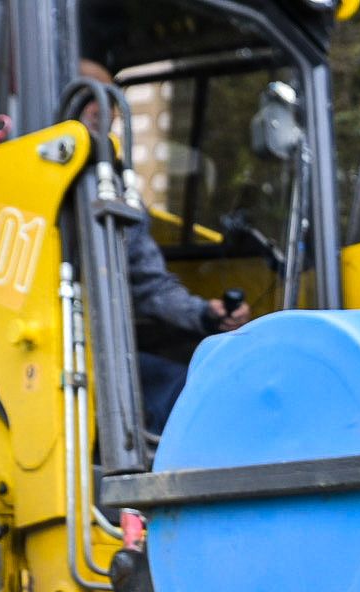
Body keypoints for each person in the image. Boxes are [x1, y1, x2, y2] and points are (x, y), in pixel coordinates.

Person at [77, 60, 251, 432]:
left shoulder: (119, 196)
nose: (101, 108)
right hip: (38, 344)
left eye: (108, 100)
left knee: (184, 389)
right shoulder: (15, 176)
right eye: (88, 93)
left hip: (94, 349)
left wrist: (204, 313)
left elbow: (151, 285)